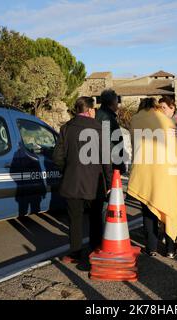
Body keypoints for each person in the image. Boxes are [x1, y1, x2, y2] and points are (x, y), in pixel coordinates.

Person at [127, 98, 177, 259]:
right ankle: (170, 249)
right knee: (170, 211)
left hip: (144, 174)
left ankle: (151, 248)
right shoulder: (165, 120)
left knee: (149, 212)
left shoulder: (135, 120)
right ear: (156, 107)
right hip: (169, 174)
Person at [53, 97, 112, 263]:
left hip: (72, 182)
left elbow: (57, 157)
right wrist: (108, 182)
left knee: (75, 219)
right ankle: (95, 249)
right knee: (95, 219)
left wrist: (67, 170)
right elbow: (106, 160)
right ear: (90, 110)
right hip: (95, 183)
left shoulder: (66, 128)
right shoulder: (100, 129)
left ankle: (75, 253)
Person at [95, 89, 126, 175]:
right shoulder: (106, 118)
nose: (118, 105)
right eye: (117, 102)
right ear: (112, 103)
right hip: (109, 166)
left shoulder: (101, 114)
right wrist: (118, 165)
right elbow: (109, 144)